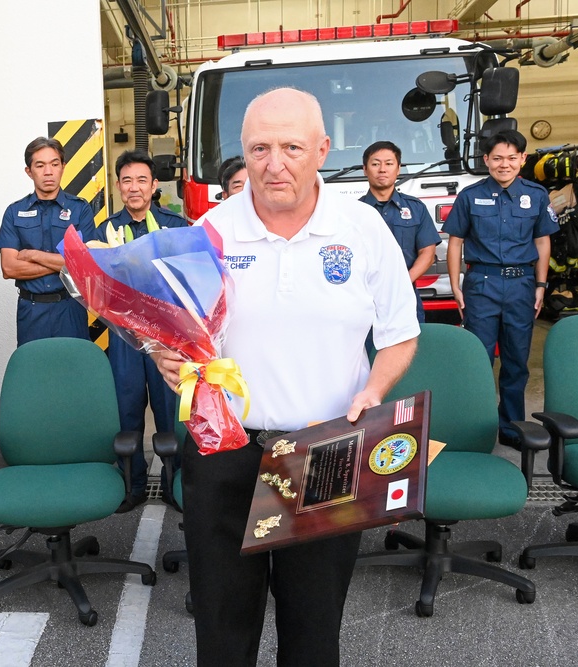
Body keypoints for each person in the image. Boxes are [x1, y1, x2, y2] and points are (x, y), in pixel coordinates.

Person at [152, 88, 420, 666]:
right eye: (259, 148)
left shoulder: (363, 228)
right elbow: (179, 333)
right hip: (224, 448)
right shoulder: (211, 231)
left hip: (324, 449)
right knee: (223, 627)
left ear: (322, 148)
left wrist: (373, 392)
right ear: (242, 153)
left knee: (314, 627)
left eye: (292, 147)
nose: (275, 164)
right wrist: (166, 355)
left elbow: (400, 335)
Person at [443, 129, 558, 447]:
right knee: (478, 358)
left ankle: (511, 427)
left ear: (522, 159)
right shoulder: (470, 196)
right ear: (486, 160)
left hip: (521, 285)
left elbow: (542, 241)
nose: (503, 164)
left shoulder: (535, 195)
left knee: (516, 360)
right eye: (497, 158)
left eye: (511, 158)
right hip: (482, 285)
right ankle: (474, 427)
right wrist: (456, 286)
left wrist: (540, 284)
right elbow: (456, 242)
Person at [100, 150, 187, 512]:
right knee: (127, 408)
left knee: (171, 409)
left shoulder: (176, 225)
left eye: (141, 180)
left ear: (154, 186)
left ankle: (173, 484)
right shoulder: (104, 228)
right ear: (118, 187)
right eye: (126, 181)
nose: (134, 188)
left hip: (166, 334)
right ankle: (131, 485)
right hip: (124, 335)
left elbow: (188, 276)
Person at [0, 137, 96, 346]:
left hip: (71, 308)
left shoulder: (81, 209)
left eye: (54, 164)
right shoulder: (14, 212)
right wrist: (65, 262)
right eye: (40, 165)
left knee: (73, 373)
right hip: (31, 310)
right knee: (33, 374)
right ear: (29, 171)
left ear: (63, 167)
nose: (48, 171)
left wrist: (33, 255)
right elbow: (9, 268)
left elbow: (86, 265)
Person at [359, 141, 441, 322]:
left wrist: (402, 282)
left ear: (398, 169)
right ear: (365, 169)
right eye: (375, 164)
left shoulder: (416, 208)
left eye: (389, 163)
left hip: (404, 296)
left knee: (409, 348)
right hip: (364, 297)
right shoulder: (353, 211)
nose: (382, 169)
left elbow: (427, 253)